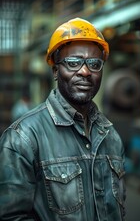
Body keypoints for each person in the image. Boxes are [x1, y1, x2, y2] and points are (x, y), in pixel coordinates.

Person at [0, 18, 126, 221]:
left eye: (94, 64)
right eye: (73, 63)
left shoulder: (111, 136)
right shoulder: (22, 139)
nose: (85, 71)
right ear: (56, 71)